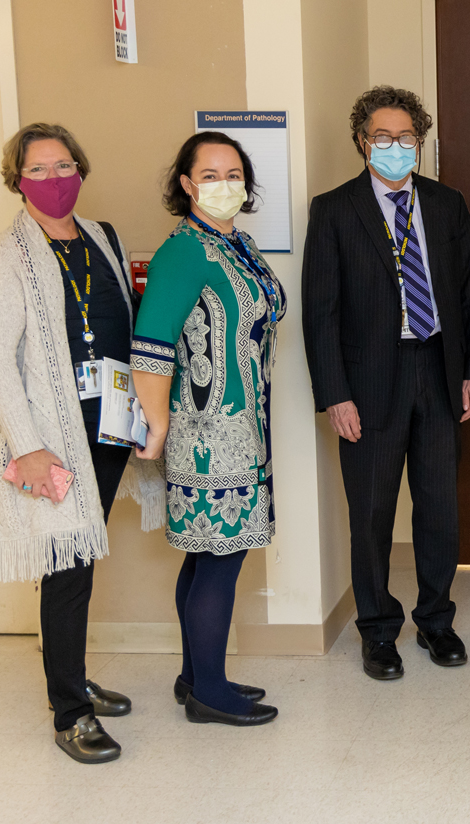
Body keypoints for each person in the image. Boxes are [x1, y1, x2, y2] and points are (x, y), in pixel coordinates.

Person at [0, 123, 164, 763]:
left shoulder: (102, 238)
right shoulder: (9, 257)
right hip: (54, 436)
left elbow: (126, 322)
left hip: (108, 426)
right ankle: (70, 712)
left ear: (80, 171)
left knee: (83, 558)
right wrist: (27, 447)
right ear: (18, 180)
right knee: (66, 568)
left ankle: (71, 673)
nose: (54, 181)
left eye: (64, 167)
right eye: (39, 170)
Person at [302, 86, 470, 680]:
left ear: (420, 142)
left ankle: (436, 620)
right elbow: (320, 310)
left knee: (439, 510)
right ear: (362, 142)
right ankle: (378, 630)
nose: (396, 147)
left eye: (407, 138)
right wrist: (334, 394)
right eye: (383, 138)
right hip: (368, 383)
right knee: (373, 513)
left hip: (437, 372)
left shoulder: (446, 203)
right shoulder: (334, 210)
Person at [131, 132, 283, 726]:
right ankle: (208, 694)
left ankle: (198, 676)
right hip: (203, 431)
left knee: (204, 558)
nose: (226, 184)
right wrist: (160, 424)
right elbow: (151, 345)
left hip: (245, 425)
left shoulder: (236, 243)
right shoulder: (185, 251)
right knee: (218, 559)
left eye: (234, 173)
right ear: (188, 184)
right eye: (211, 174)